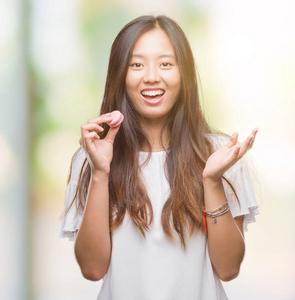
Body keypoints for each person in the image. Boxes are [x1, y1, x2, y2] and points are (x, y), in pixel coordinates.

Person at [59, 14, 259, 299]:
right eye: (137, 64)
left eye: (165, 63)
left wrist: (212, 181)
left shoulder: (220, 155)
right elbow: (92, 269)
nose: (151, 76)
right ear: (120, 75)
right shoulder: (90, 158)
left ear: (184, 74)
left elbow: (227, 268)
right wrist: (100, 174)